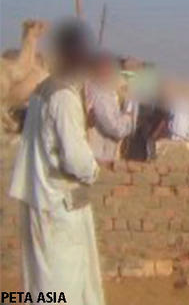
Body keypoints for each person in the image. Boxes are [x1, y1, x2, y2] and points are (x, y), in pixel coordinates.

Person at [8, 20, 105, 305]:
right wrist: (93, 168)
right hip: (59, 206)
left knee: (44, 286)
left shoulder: (43, 90)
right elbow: (76, 159)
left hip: (42, 198)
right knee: (64, 288)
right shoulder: (62, 96)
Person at [86, 52, 137, 163]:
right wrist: (128, 118)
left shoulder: (108, 89)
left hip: (102, 157)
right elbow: (116, 128)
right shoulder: (100, 92)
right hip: (98, 158)